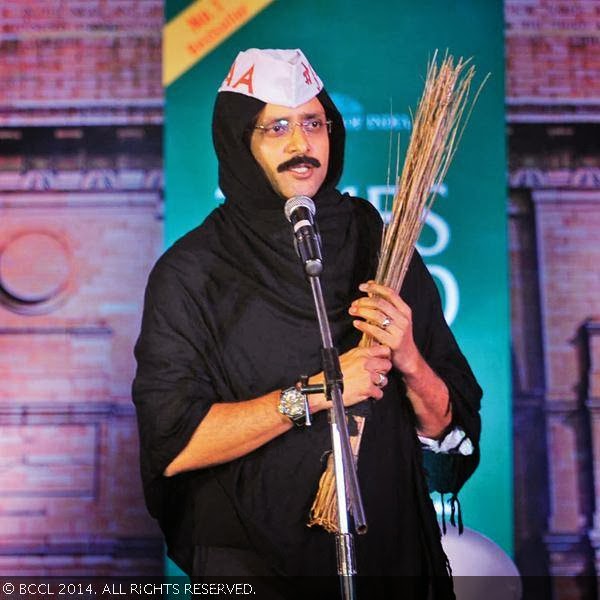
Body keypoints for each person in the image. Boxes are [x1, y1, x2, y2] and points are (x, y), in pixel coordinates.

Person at [132, 48, 482, 598]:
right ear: (238, 144)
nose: (301, 146)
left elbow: (449, 442)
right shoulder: (192, 272)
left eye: (313, 123)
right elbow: (176, 445)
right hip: (252, 566)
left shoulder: (381, 246)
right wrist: (319, 392)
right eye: (276, 127)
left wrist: (411, 361)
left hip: (392, 559)